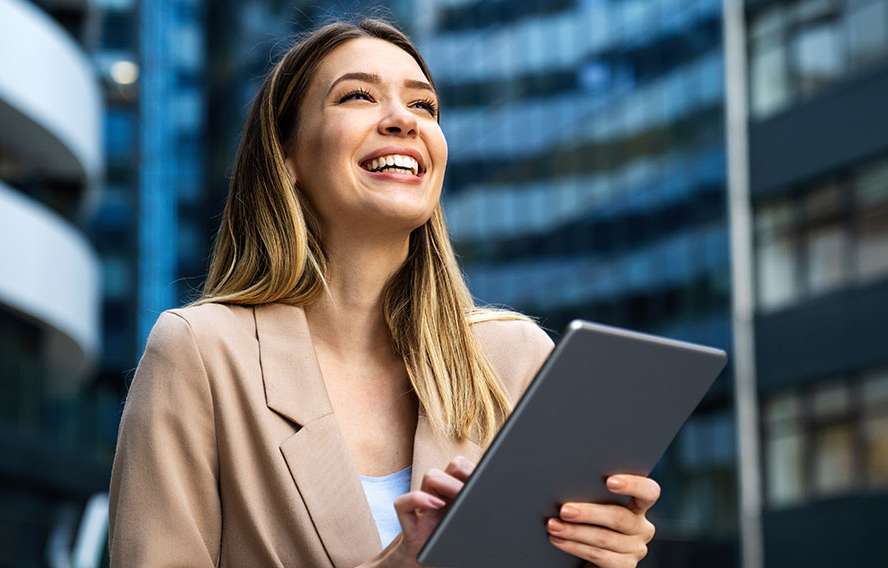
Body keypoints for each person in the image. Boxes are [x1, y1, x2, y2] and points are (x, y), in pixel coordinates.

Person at [108, 18, 660, 568]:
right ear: (287, 157)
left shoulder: (516, 361)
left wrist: (601, 555)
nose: (403, 120)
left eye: (424, 106)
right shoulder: (199, 353)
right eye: (357, 96)